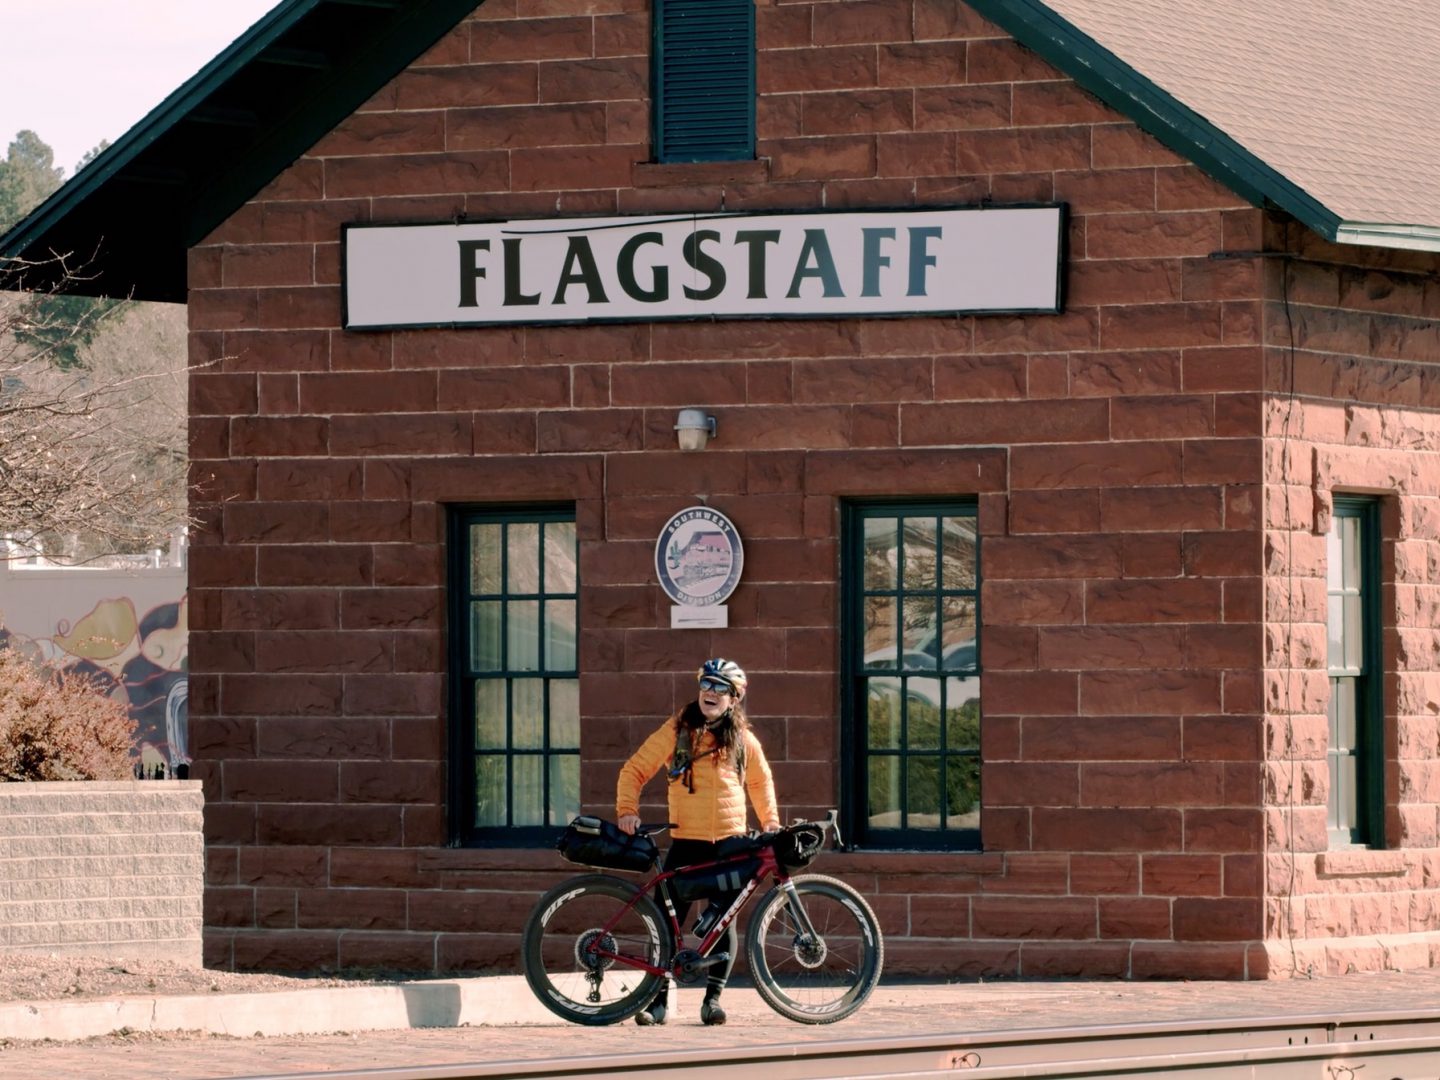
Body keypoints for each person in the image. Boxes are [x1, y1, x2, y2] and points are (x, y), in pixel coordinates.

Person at [617, 657, 779, 1027]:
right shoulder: (677, 730)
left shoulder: (743, 740)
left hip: (730, 842)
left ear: (734, 698)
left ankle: (713, 1001)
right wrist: (627, 809)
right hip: (686, 840)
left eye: (721, 687)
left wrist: (770, 821)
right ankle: (657, 1003)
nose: (711, 691)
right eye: (706, 683)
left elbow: (760, 782)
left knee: (724, 923)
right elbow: (634, 769)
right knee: (664, 923)